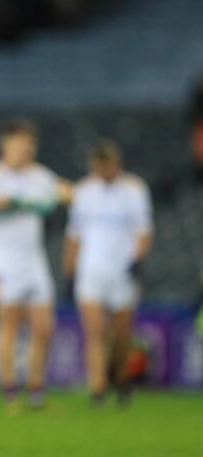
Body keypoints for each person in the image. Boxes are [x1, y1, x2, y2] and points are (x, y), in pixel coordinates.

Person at [0, 119, 70, 410]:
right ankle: (9, 393)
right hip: (2, 265)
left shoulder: (39, 175)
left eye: (30, 145)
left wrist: (62, 195)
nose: (27, 151)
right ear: (6, 145)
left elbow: (68, 193)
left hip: (34, 262)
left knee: (44, 328)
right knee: (8, 327)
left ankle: (36, 392)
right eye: (21, 145)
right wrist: (0, 203)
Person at [63, 140, 152, 406]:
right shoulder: (83, 191)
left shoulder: (134, 190)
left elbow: (144, 230)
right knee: (95, 331)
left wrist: (137, 259)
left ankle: (122, 378)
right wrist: (69, 272)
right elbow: (74, 235)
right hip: (91, 270)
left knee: (122, 333)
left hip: (122, 270)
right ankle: (98, 387)